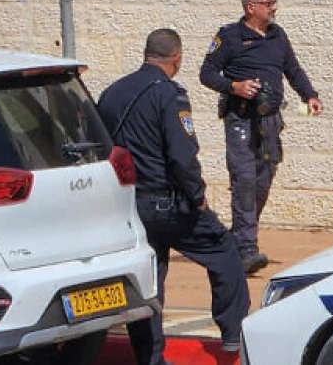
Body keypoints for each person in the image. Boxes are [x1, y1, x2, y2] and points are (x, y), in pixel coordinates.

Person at [97, 28, 249, 365]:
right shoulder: (169, 95)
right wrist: (197, 196)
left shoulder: (112, 93)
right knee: (224, 250)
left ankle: (149, 357)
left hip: (127, 206)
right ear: (177, 58)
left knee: (149, 279)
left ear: (146, 53)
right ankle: (232, 337)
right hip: (168, 203)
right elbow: (181, 156)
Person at [200, 0, 324, 274]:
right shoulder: (229, 36)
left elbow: (292, 69)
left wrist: (310, 95)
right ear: (250, 7)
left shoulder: (277, 36)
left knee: (263, 179)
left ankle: (237, 237)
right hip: (241, 120)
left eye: (274, 1)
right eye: (268, 2)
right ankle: (246, 249)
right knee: (244, 179)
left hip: (270, 122)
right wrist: (235, 87)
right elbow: (206, 73)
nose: (273, 7)